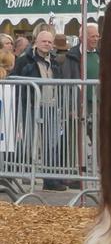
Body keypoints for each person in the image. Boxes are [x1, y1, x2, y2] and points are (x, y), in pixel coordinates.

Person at [12, 29, 67, 191]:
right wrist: (22, 104)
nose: (47, 44)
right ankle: (25, 176)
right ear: (36, 41)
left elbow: (61, 82)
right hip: (30, 107)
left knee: (52, 144)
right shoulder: (25, 60)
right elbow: (16, 80)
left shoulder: (55, 61)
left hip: (50, 107)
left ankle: (50, 180)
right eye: (44, 41)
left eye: (50, 42)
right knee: (28, 143)